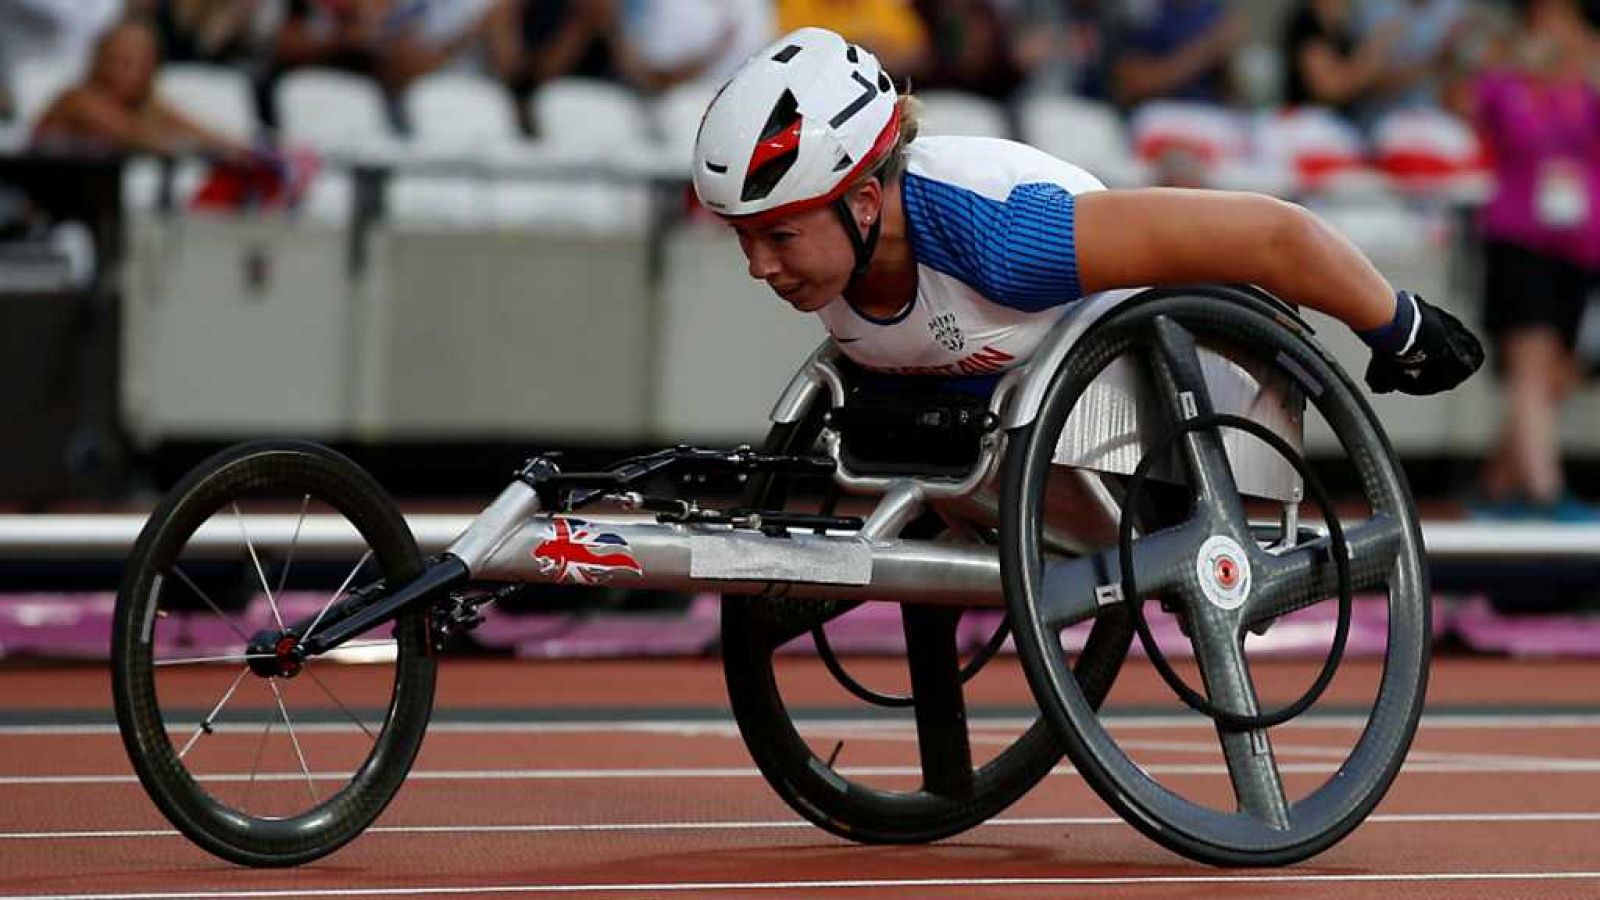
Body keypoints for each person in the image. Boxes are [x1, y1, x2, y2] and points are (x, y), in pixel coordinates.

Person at [691, 26, 1483, 397]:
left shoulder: (1007, 241)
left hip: (1182, 399)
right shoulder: (837, 254)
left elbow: (1274, 234)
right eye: (744, 238)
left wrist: (1399, 326)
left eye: (778, 235)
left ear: (865, 202)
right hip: (990, 402)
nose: (760, 267)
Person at [1455, 0, 1600, 518]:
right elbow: (1467, 110)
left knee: (1556, 374)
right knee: (1530, 366)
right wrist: (1511, 64)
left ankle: (1496, 487)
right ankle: (1545, 494)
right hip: (1520, 241)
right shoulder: (1505, 83)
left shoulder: (1586, 84)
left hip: (1580, 248)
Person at [31, 16, 250, 160]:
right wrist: (196, 145)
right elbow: (138, 136)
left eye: (130, 63)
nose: (117, 71)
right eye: (113, 60)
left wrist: (245, 151)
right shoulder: (78, 101)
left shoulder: (142, 107)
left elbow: (199, 132)